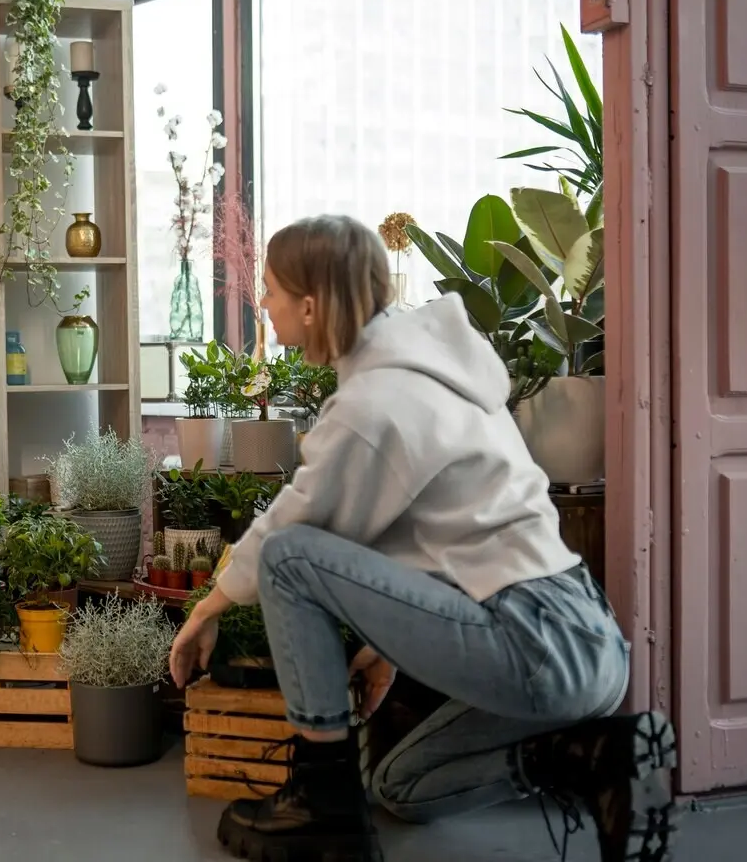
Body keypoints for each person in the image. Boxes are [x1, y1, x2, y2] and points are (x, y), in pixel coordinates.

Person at [170, 215, 676, 862]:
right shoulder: (435, 374)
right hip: (588, 642)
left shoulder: (372, 405)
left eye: (268, 289)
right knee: (402, 786)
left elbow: (295, 522)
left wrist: (208, 606)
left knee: (289, 558)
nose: (261, 304)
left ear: (309, 302)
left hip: (533, 638)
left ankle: (322, 805)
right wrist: (395, 641)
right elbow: (446, 528)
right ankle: (587, 755)